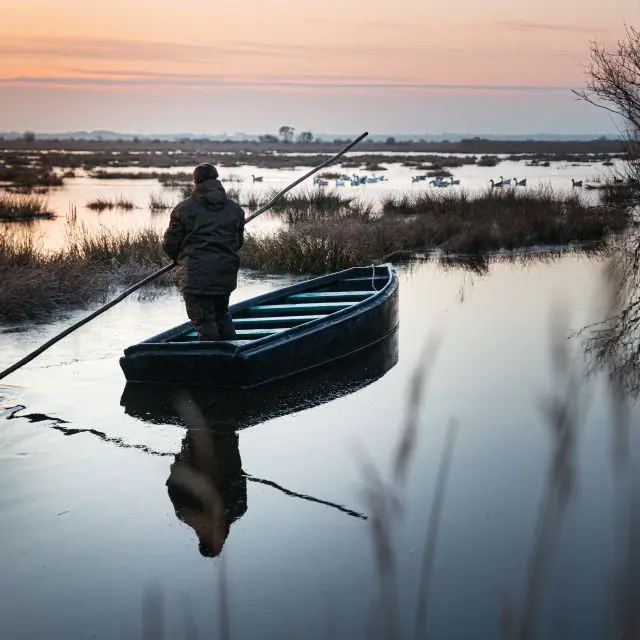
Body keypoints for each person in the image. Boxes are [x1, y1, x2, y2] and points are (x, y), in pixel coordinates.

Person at [163, 163, 245, 341]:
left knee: (204, 320)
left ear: (195, 181)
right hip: (225, 273)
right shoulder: (235, 209)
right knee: (222, 315)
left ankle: (212, 361)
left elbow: (170, 244)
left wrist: (179, 258)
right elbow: (237, 242)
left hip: (196, 275)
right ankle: (232, 358)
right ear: (216, 179)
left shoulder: (183, 209)